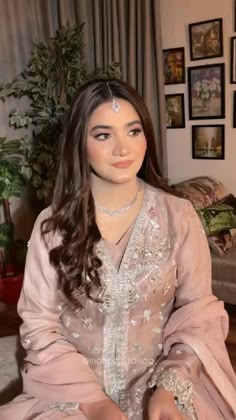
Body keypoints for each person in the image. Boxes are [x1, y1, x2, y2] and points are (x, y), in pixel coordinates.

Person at [1, 79, 236, 420]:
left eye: (133, 131)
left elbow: (198, 314)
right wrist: (95, 402)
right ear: (79, 143)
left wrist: (169, 387)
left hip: (160, 390)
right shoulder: (52, 226)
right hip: (73, 392)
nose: (123, 149)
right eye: (103, 135)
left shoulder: (178, 217)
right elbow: (40, 325)